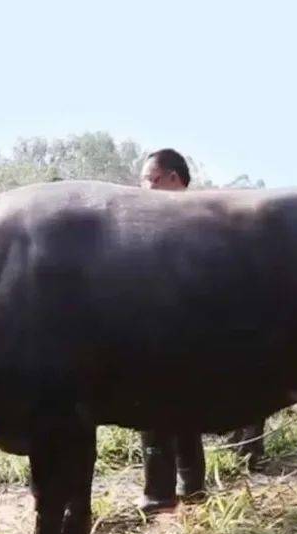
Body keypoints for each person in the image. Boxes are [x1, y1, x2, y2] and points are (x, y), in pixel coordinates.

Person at [136, 148, 209, 512]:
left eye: (150, 179)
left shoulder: (195, 221)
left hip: (179, 334)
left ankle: (162, 497)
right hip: (168, 333)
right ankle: (189, 492)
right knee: (178, 416)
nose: (143, 187)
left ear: (173, 179)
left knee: (161, 414)